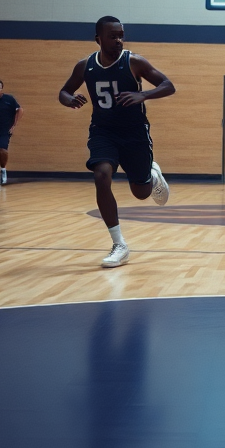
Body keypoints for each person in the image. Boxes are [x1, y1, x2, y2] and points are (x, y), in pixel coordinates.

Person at [59, 16, 175, 268]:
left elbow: (168, 85)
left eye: (121, 34)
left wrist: (142, 94)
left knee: (141, 193)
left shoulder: (134, 62)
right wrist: (68, 99)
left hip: (134, 133)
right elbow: (64, 91)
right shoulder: (85, 66)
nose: (119, 40)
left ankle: (152, 174)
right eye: (113, 36)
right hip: (103, 131)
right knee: (101, 175)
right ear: (98, 39)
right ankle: (119, 244)